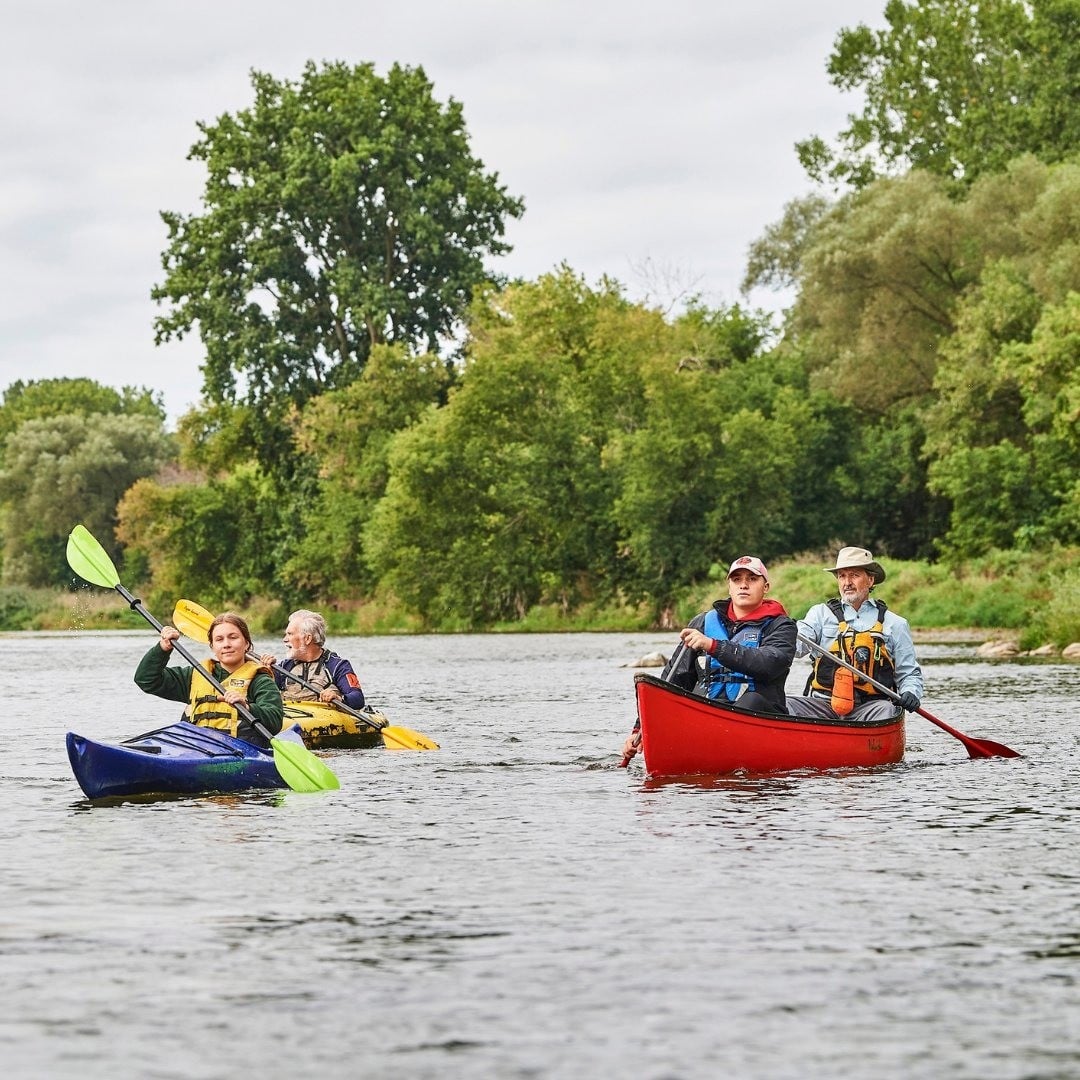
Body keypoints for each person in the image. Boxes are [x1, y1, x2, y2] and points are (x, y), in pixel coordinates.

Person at [621, 555, 796, 763]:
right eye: (737, 580)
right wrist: (640, 729)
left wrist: (714, 646)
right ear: (729, 587)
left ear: (765, 587)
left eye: (752, 579)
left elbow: (770, 662)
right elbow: (674, 679)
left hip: (760, 714)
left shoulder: (782, 626)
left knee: (752, 700)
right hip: (706, 712)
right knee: (683, 701)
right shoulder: (703, 622)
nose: (744, 585)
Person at [786, 546, 923, 723]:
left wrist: (910, 692)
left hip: (872, 709)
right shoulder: (819, 614)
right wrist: (785, 632)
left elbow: (909, 673)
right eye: (842, 576)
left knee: (888, 710)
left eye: (854, 575)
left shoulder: (896, 624)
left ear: (871, 580)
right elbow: (795, 649)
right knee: (782, 704)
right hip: (822, 706)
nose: (847, 582)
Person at [134, 612, 284, 744]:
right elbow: (146, 680)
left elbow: (275, 722)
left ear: (246, 644)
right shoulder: (194, 675)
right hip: (195, 746)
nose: (226, 644)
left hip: (239, 750)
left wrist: (247, 707)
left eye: (233, 637)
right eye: (219, 639)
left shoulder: (260, 680)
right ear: (212, 647)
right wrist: (163, 648)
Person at [260, 609, 365, 710]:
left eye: (290, 634)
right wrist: (267, 672)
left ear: (307, 639)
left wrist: (338, 698)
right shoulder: (284, 667)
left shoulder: (337, 666)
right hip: (290, 718)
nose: (285, 639)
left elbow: (358, 698)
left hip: (324, 719)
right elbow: (265, 696)